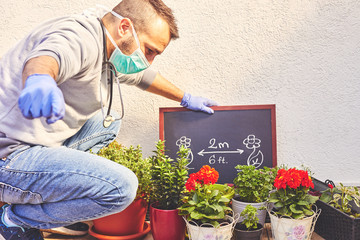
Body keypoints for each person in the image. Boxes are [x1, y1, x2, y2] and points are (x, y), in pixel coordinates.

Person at [0, 0, 217, 239]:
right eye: (150, 50)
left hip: (34, 144)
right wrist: (39, 79)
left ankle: (48, 204)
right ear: (124, 27)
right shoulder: (81, 36)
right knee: (121, 188)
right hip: (9, 156)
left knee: (107, 121)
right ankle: (15, 219)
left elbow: (143, 76)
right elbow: (50, 55)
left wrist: (185, 98)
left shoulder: (112, 46)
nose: (149, 60)